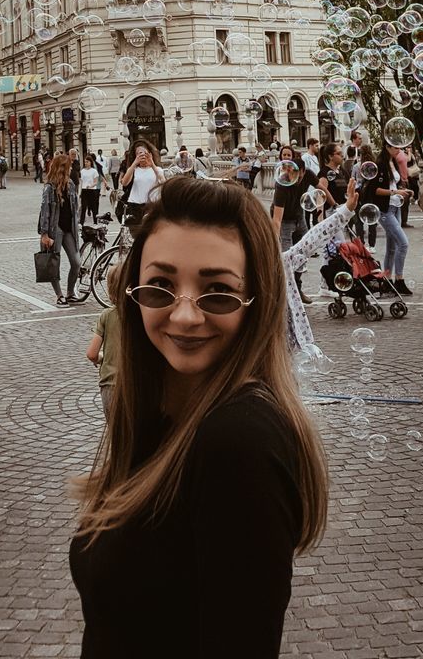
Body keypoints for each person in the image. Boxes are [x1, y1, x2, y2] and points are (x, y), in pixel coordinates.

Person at [69, 175, 329, 658]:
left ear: (259, 300)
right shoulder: (162, 412)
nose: (185, 316)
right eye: (160, 286)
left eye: (218, 292)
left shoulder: (238, 441)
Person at [368, 143, 414, 295]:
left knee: (392, 247)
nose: (399, 150)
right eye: (396, 147)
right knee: (403, 244)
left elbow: (393, 184)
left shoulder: (392, 162)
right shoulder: (380, 164)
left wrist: (403, 191)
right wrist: (396, 192)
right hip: (385, 210)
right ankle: (399, 280)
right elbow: (374, 190)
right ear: (386, 146)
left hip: (395, 207)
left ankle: (387, 281)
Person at [270, 144, 314, 304]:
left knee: (302, 254)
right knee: (287, 256)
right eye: (284, 155)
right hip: (285, 221)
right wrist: (276, 237)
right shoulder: (281, 184)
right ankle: (284, 293)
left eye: (289, 155)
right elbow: (277, 218)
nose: (286, 159)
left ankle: (297, 288)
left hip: (299, 217)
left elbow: (321, 187)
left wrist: (334, 204)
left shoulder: (306, 174)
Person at [38, 152, 82, 305]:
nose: (67, 170)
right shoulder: (49, 187)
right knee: (53, 262)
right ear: (58, 168)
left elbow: (76, 208)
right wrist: (44, 233)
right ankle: (59, 295)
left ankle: (70, 292)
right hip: (54, 228)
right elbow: (45, 211)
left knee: (76, 262)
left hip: (69, 228)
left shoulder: (70, 185)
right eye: (65, 167)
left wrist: (78, 224)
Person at [85, 261, 125, 419]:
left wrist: (101, 357)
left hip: (109, 385)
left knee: (116, 436)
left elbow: (91, 353)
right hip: (132, 384)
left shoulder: (107, 316)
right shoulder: (142, 317)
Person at [119, 141, 165, 229]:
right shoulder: (133, 169)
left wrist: (152, 164)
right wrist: (134, 163)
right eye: (139, 154)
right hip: (135, 205)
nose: (142, 156)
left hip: (152, 205)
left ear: (150, 154)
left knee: (152, 232)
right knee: (137, 234)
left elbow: (163, 182)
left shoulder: (157, 169)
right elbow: (125, 183)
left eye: (144, 153)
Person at [80, 153, 102, 228]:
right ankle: (81, 222)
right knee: (83, 207)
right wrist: (80, 191)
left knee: (93, 207)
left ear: (90, 162)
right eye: (85, 162)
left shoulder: (94, 171)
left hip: (92, 190)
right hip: (84, 190)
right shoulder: (82, 171)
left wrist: (91, 186)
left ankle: (95, 222)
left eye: (87, 162)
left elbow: (96, 182)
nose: (86, 163)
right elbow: (82, 181)